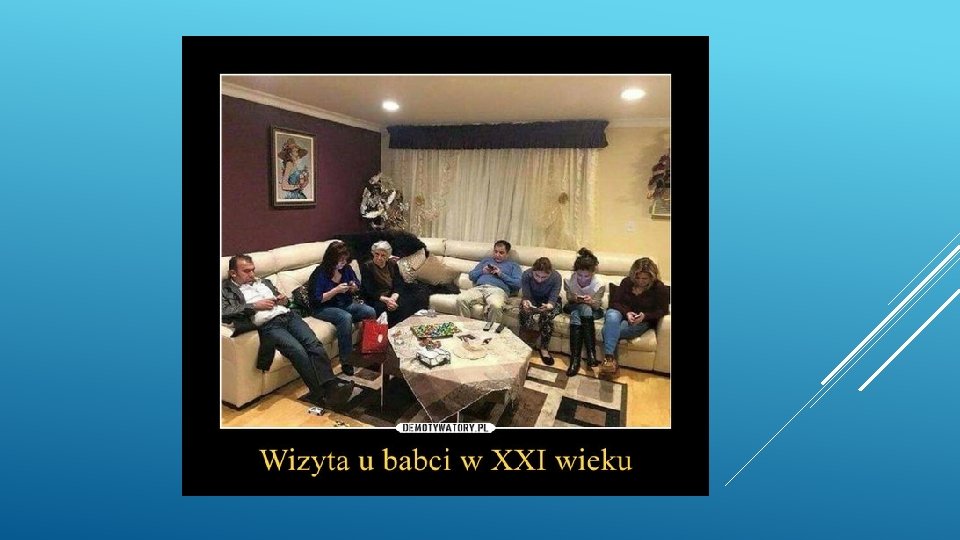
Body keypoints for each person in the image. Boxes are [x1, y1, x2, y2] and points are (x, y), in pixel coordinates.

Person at [221, 254, 354, 407]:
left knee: (314, 344)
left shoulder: (264, 282)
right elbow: (224, 311)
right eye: (246, 271)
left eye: (253, 270)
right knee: (298, 351)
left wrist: (284, 300)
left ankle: (331, 386)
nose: (252, 274)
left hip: (289, 316)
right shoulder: (226, 290)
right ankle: (319, 394)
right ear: (233, 273)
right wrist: (253, 306)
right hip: (269, 325)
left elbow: (286, 302)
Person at [309, 241, 377, 375]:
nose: (343, 263)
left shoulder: (346, 269)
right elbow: (317, 299)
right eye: (340, 260)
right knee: (345, 317)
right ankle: (346, 361)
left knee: (370, 311)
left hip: (345, 304)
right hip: (323, 307)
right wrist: (336, 290)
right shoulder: (320, 273)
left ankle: (368, 349)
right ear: (331, 259)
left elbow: (356, 284)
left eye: (345, 260)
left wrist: (353, 287)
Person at [601, 257, 670, 375]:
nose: (640, 281)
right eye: (637, 278)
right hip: (623, 313)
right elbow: (615, 302)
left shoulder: (659, 288)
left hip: (642, 320)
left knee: (608, 330)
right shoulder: (627, 282)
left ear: (652, 277)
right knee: (611, 315)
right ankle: (609, 359)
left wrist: (645, 316)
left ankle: (609, 362)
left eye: (644, 278)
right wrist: (627, 312)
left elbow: (662, 310)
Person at [360, 240, 426, 327]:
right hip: (376, 298)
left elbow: (398, 284)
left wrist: (393, 298)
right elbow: (369, 290)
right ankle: (389, 330)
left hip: (390, 294)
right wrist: (387, 300)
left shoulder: (392, 264)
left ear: (388, 256)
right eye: (377, 254)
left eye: (383, 255)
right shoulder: (367, 266)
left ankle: (405, 326)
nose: (379, 257)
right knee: (388, 308)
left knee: (411, 299)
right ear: (373, 253)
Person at [563, 248, 606, 377]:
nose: (582, 279)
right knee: (580, 309)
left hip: (593, 311)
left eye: (586, 276)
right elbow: (569, 298)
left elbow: (597, 305)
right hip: (573, 306)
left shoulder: (599, 284)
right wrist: (575, 298)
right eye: (579, 275)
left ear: (592, 273)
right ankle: (591, 355)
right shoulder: (569, 279)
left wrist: (590, 301)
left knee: (579, 312)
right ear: (576, 272)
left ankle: (575, 360)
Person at [456, 240, 522, 324]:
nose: (497, 255)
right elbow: (471, 276)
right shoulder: (486, 261)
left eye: (501, 253)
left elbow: (518, 284)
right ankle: (465, 327)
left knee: (496, 306)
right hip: (479, 288)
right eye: (495, 251)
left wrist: (501, 274)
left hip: (497, 290)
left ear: (507, 254)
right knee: (461, 299)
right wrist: (482, 271)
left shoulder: (513, 265)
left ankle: (492, 331)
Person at [518, 257, 562, 366]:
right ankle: (526, 345)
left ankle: (544, 349)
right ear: (533, 271)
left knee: (546, 315)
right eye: (537, 275)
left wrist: (549, 305)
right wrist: (526, 302)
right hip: (533, 300)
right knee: (525, 311)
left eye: (544, 277)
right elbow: (526, 295)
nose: (540, 279)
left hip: (550, 302)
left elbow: (553, 298)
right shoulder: (526, 274)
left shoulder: (556, 277)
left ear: (550, 273)